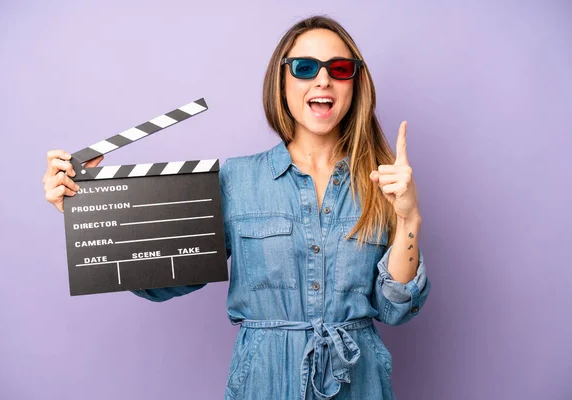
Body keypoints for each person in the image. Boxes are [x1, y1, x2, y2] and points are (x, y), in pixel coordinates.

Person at [43, 15, 430, 400]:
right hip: (263, 382)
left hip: (360, 384)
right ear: (281, 81)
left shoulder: (385, 182)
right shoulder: (238, 179)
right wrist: (87, 209)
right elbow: (163, 282)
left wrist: (408, 217)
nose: (322, 80)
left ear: (355, 84)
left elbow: (395, 309)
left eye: (340, 69)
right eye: (305, 67)